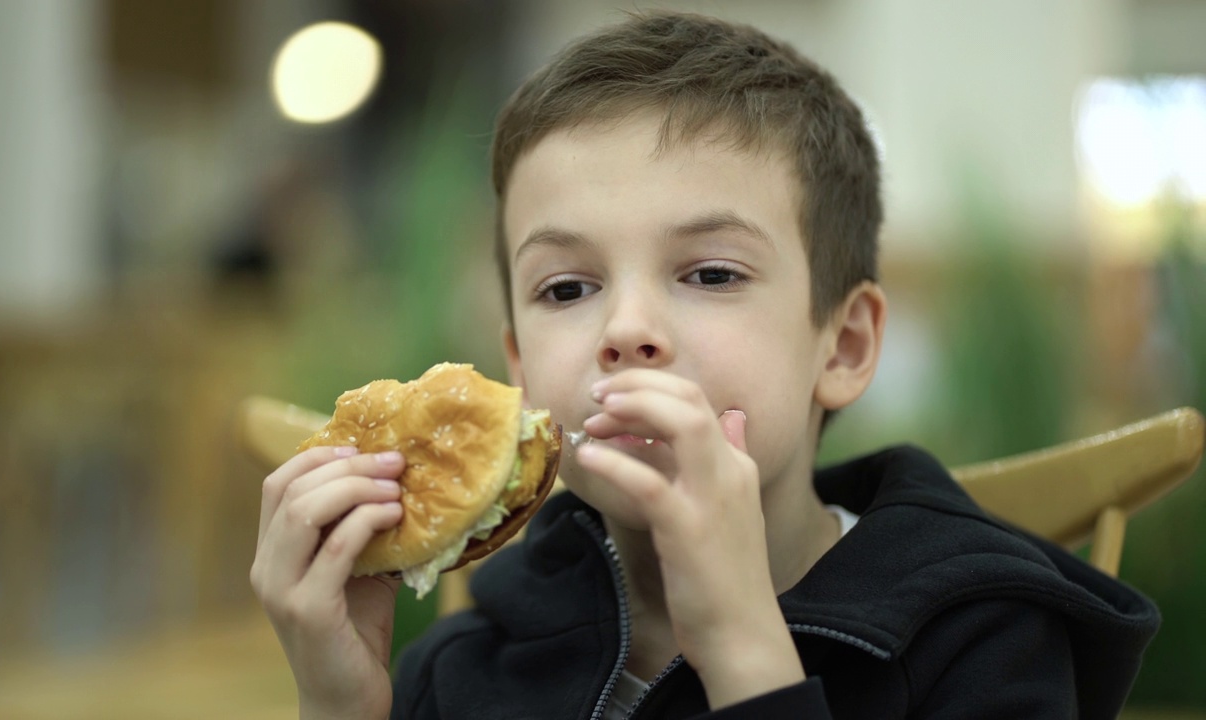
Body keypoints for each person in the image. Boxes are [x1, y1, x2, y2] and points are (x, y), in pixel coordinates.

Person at [250, 11, 1160, 719]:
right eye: (568, 288)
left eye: (712, 272)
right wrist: (340, 704)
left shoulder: (986, 639)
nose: (627, 328)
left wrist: (741, 648)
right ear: (520, 373)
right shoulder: (473, 657)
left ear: (841, 347)